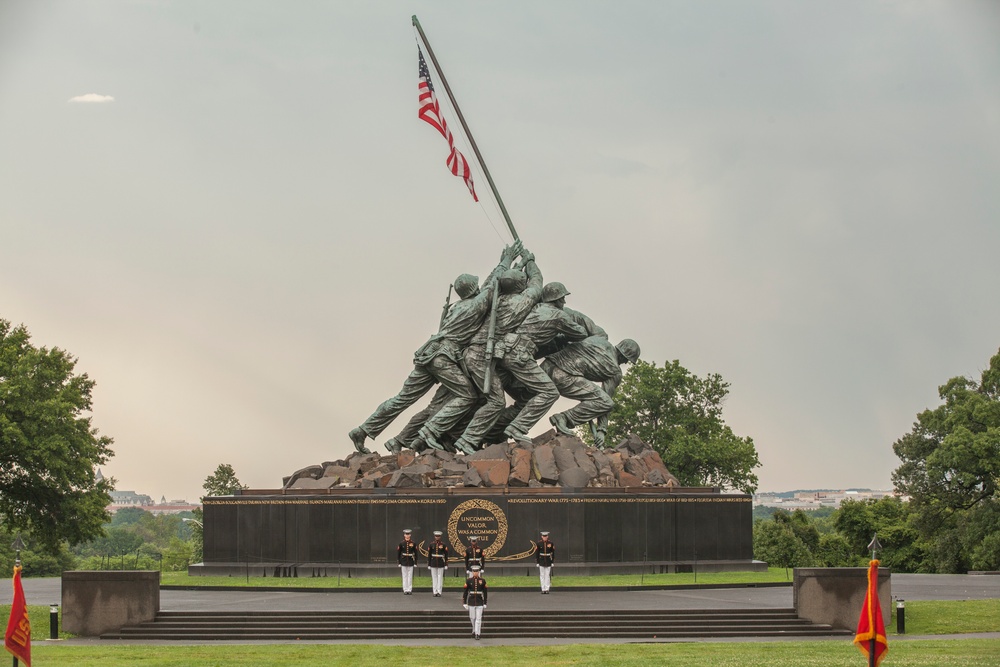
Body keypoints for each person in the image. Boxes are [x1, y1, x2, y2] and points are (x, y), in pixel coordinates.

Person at [348, 243, 521, 454]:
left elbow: (486, 287)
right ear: (474, 289)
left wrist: (504, 262)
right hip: (443, 357)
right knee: (467, 395)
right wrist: (506, 261)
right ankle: (430, 431)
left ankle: (364, 429)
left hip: (428, 353)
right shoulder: (476, 306)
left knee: (403, 398)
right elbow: (492, 287)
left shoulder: (458, 306)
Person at [452, 251, 544, 453]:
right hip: (479, 356)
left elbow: (488, 284)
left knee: (488, 399)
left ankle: (471, 437)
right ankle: (467, 439)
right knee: (496, 402)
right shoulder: (521, 302)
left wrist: (508, 262)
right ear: (521, 287)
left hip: (472, 354)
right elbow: (537, 283)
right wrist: (530, 263)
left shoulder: (492, 299)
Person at [542, 337, 640, 447]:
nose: (626, 362)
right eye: (627, 359)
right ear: (623, 355)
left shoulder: (599, 340)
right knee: (606, 402)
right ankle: (564, 417)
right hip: (563, 376)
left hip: (546, 366)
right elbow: (605, 401)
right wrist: (601, 431)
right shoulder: (615, 370)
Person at [462, 564, 488, 640]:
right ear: (472, 572)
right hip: (471, 601)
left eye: (477, 571)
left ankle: (477, 633)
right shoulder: (469, 580)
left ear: (479, 572)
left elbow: (485, 592)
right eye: (474, 571)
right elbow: (465, 592)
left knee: (478, 618)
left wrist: (485, 602)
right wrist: (464, 602)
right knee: (472, 617)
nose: (475, 573)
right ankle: (474, 629)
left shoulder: (482, 581)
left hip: (479, 601)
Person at [427, 530, 449, 597]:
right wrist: (429, 564)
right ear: (434, 536)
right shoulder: (431, 544)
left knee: (440, 577)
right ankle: (434, 591)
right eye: (436, 536)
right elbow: (429, 555)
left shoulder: (443, 545)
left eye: (438, 536)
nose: (437, 537)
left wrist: (446, 564)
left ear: (440, 537)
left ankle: (439, 591)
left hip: (440, 562)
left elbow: (446, 555)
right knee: (434, 577)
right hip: (433, 562)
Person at [397, 529, 418, 595]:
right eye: (406, 534)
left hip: (411, 561)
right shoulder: (401, 543)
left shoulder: (413, 543)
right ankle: (405, 589)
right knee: (404, 576)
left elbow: (416, 553)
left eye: (408, 534)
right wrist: (399, 562)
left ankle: (409, 589)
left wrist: (415, 562)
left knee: (410, 576)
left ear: (410, 535)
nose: (407, 535)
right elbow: (398, 553)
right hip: (403, 561)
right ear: (404, 535)